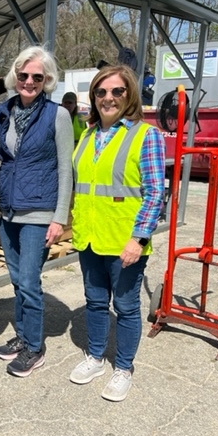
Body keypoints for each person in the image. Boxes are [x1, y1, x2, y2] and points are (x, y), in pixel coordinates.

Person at [69, 64, 165, 402]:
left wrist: (138, 239)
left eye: (117, 91)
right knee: (95, 302)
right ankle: (96, 357)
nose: (108, 98)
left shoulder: (145, 135)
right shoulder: (87, 135)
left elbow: (155, 192)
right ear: (94, 97)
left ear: (129, 95)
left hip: (125, 241)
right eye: (101, 92)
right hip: (90, 237)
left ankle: (123, 368)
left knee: (125, 307)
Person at [0, 46, 74, 377]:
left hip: (38, 213)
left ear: (47, 80)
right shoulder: (5, 111)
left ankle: (34, 347)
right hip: (8, 211)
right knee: (16, 280)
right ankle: (23, 336)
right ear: (15, 75)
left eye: (37, 77)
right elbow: (0, 159)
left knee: (28, 281)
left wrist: (59, 217)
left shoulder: (58, 115)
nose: (29, 81)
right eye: (23, 75)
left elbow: (65, 169)